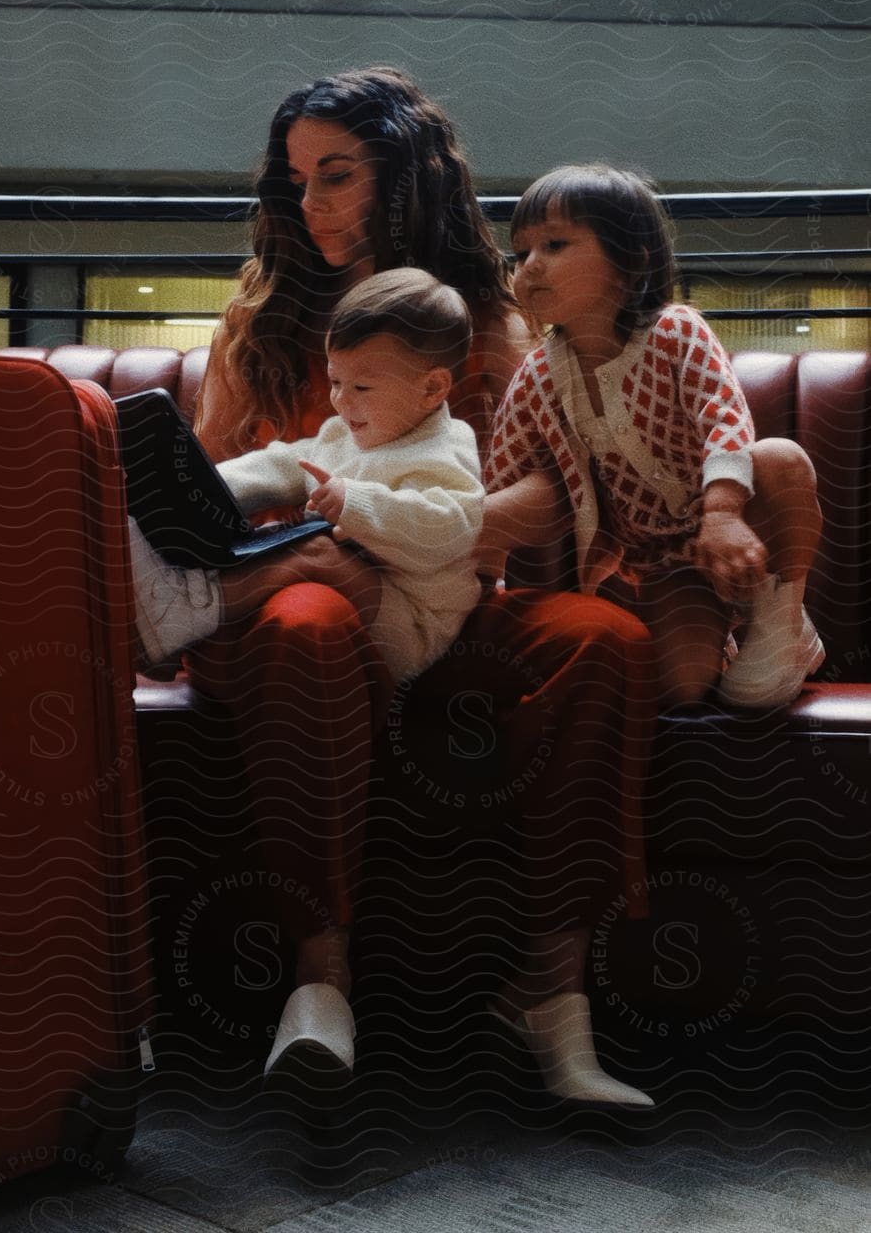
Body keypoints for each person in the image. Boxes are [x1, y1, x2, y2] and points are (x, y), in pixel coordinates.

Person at [130, 69, 659, 1108]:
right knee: (307, 617)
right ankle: (319, 988)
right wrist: (327, 541)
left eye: (337, 176)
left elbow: (549, 494)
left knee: (603, 640)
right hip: (290, 601)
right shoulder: (260, 315)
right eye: (296, 182)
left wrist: (391, 534)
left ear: (404, 176)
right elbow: (206, 489)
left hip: (436, 589)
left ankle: (549, 1000)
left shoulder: (486, 319)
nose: (311, 205)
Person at [490, 162, 824, 710]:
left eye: (554, 244)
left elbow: (725, 419)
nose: (529, 267)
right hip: (664, 566)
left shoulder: (676, 330)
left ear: (631, 260)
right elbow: (501, 474)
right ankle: (722, 632)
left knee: (780, 459)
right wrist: (481, 576)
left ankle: (782, 618)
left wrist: (722, 513)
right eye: (519, 253)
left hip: (740, 524)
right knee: (681, 690)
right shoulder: (538, 375)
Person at [130, 267, 485, 687]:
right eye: (336, 381)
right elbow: (282, 465)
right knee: (270, 538)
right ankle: (171, 613)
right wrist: (194, 487)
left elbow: (451, 530)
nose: (340, 399)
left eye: (362, 388)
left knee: (318, 551)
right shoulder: (343, 432)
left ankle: (185, 614)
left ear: (431, 389)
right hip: (368, 597)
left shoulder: (446, 446)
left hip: (413, 626)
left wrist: (355, 502)